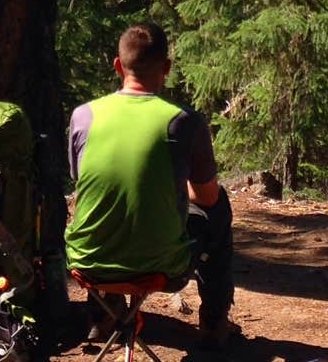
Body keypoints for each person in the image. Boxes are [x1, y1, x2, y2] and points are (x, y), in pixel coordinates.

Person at [65, 22, 236, 347]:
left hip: (87, 264)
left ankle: (103, 316)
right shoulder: (184, 121)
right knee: (219, 206)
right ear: (167, 68)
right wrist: (173, 186)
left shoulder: (83, 116)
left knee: (103, 206)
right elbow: (207, 197)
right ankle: (214, 322)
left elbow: (87, 181)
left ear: (118, 65)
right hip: (162, 268)